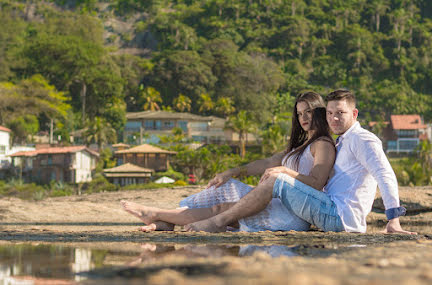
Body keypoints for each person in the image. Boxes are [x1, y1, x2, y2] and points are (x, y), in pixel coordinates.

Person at [184, 89, 416, 234]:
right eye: (330, 113)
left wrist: (393, 220)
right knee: (251, 186)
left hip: (340, 216)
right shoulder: (342, 141)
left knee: (277, 180)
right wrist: (236, 170)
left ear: (354, 114)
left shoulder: (363, 139)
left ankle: (219, 222)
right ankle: (174, 215)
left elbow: (384, 174)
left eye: (341, 113)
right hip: (329, 208)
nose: (334, 118)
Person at [121, 91, 336, 232]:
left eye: (308, 112)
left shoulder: (323, 144)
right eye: (299, 114)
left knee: (222, 209)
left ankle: (156, 215)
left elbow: (317, 183)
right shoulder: (302, 145)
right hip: (281, 201)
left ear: (319, 111)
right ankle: (166, 221)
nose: (303, 118)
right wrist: (234, 171)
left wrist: (284, 172)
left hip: (294, 213)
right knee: (223, 192)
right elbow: (268, 161)